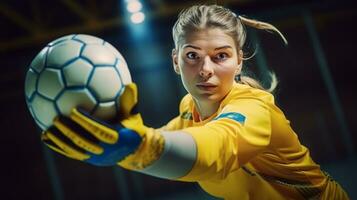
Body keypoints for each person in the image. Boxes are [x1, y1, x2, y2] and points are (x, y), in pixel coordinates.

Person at [41, 4, 349, 200]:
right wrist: (120, 142)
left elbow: (213, 149)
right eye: (192, 56)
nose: (205, 70)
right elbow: (165, 144)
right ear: (176, 61)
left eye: (221, 56)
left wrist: (139, 148)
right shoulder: (189, 110)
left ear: (240, 61)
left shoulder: (255, 109)